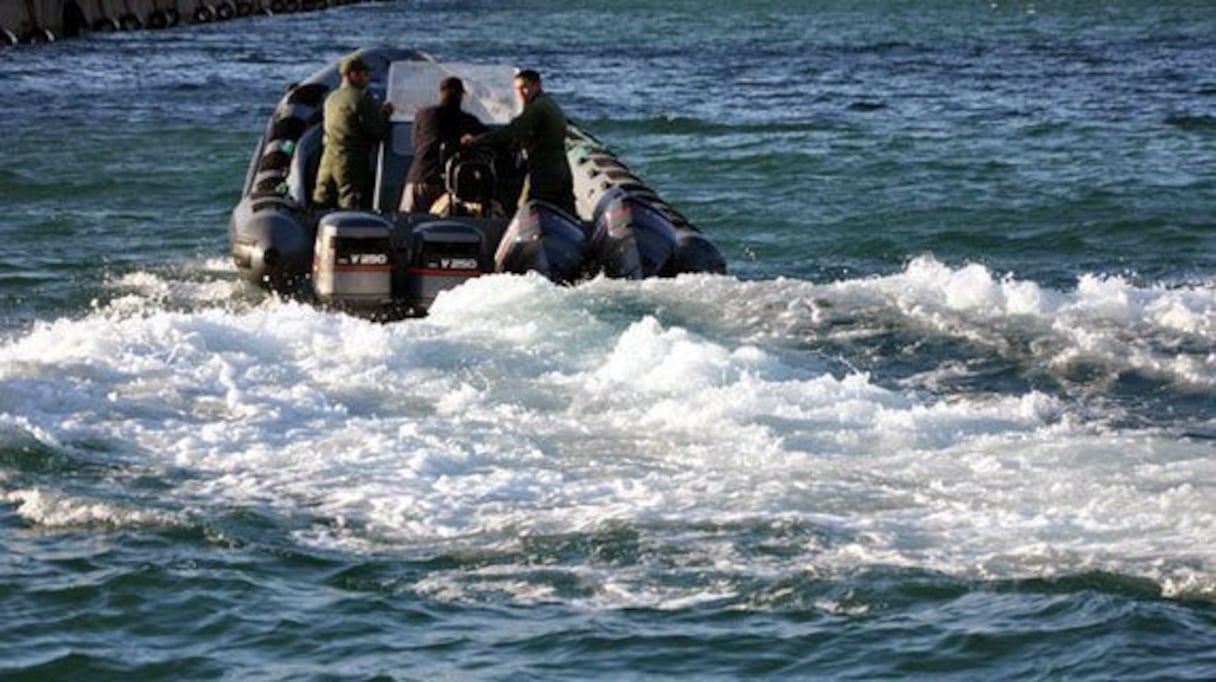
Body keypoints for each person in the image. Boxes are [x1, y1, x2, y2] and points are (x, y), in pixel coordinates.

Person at [461, 69, 575, 215]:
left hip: (544, 172)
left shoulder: (537, 108)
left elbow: (510, 132)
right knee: (568, 214)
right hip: (561, 170)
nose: (521, 93)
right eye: (518, 89)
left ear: (537, 85)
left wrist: (475, 141)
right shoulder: (550, 104)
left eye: (525, 87)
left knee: (526, 211)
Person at [313, 55, 394, 210]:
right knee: (350, 203)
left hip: (328, 158)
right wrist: (385, 114)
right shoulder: (361, 98)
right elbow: (376, 130)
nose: (368, 78)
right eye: (365, 74)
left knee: (322, 200)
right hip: (350, 161)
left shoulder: (332, 97)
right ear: (353, 74)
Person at [400, 77, 487, 213]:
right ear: (462, 96)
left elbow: (416, 143)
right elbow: (488, 138)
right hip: (449, 183)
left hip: (419, 177)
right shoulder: (468, 120)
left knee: (408, 222)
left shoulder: (423, 115)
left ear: (440, 93)